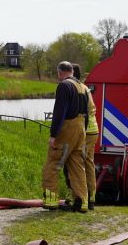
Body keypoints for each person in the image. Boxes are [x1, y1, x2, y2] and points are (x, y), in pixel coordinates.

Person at [42, 61, 88, 211]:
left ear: (60, 72)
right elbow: (87, 113)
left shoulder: (64, 86)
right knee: (77, 167)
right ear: (72, 71)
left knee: (53, 165)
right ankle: (82, 203)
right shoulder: (82, 87)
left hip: (67, 130)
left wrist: (53, 134)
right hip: (81, 130)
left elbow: (60, 112)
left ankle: (51, 201)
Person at [64, 64, 99, 209]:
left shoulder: (74, 89)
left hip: (82, 131)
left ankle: (79, 198)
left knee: (74, 163)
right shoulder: (85, 88)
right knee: (88, 163)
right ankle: (90, 197)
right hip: (93, 130)